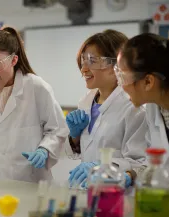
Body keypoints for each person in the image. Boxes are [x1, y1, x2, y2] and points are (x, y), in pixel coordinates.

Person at [0, 26, 69, 182]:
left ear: (13, 60)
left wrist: (45, 149)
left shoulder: (36, 87)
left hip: (29, 182)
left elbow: (57, 129)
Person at [65, 30, 148, 188]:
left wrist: (103, 167)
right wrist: (74, 137)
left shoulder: (134, 107)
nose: (83, 69)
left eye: (92, 61)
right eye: (83, 61)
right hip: (86, 189)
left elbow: (138, 163)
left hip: (117, 192)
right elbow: (85, 148)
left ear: (116, 65)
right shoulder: (85, 102)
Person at [116, 33, 169, 173]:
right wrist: (132, 174)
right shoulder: (154, 108)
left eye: (122, 77)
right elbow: (154, 163)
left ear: (148, 82)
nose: (121, 85)